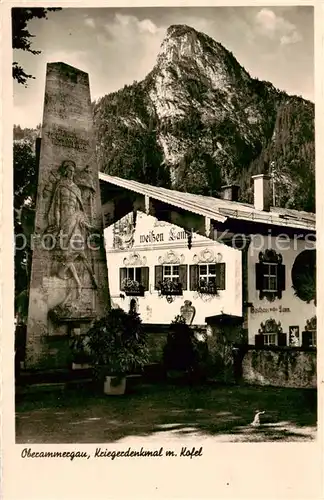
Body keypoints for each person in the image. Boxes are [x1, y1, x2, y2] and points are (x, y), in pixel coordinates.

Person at [46, 160, 97, 304]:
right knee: (65, 252)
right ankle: (77, 284)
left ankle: (79, 284)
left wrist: (86, 223)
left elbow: (80, 210)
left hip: (75, 221)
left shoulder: (77, 189)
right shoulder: (60, 186)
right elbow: (56, 206)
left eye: (73, 171)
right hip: (64, 220)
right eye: (69, 170)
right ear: (64, 171)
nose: (71, 173)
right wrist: (55, 224)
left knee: (75, 250)